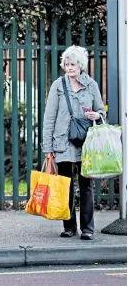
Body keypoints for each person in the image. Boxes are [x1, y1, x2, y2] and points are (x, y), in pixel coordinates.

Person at [42, 45, 105, 241]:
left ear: (81, 65)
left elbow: (101, 111)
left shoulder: (91, 85)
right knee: (65, 185)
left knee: (86, 187)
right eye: (66, 64)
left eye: (73, 64)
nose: (69, 68)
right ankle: (69, 227)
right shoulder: (58, 86)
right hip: (62, 143)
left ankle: (87, 229)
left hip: (86, 144)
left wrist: (97, 115)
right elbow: (49, 117)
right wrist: (48, 148)